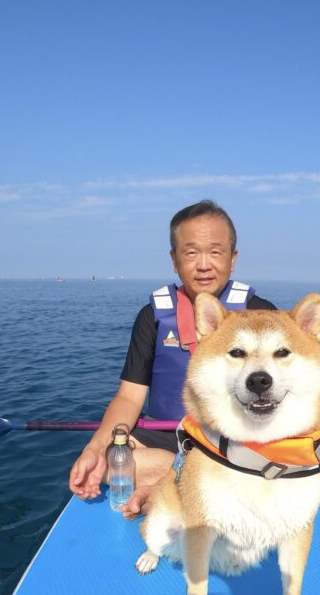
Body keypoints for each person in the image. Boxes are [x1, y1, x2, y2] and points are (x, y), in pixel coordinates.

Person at [68, 200, 276, 516]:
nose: (204, 264)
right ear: (174, 260)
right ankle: (183, 480)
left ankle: (174, 484)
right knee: (111, 462)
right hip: (167, 438)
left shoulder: (262, 314)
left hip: (235, 441)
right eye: (191, 253)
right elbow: (129, 396)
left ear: (233, 259)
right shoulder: (152, 317)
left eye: (216, 252)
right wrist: (94, 448)